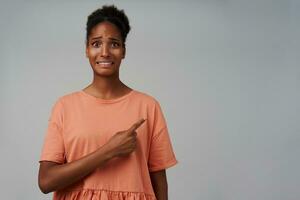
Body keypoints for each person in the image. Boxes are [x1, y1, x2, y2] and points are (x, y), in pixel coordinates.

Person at [38, 5, 178, 200]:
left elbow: (159, 181)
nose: (105, 52)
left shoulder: (148, 107)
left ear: (124, 51)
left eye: (114, 44)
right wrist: (109, 151)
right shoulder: (65, 107)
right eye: (96, 44)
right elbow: (46, 182)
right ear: (86, 49)